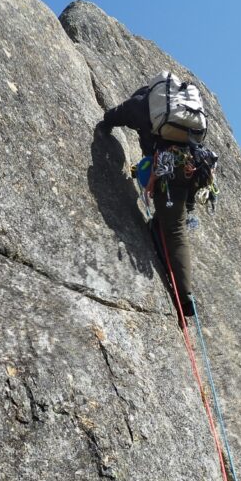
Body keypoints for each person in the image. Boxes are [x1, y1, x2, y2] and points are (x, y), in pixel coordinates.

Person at [96, 84, 201, 317]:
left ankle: (184, 297)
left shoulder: (142, 105)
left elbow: (113, 115)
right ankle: (159, 225)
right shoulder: (184, 111)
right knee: (175, 220)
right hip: (191, 168)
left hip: (166, 168)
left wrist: (105, 124)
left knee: (175, 232)